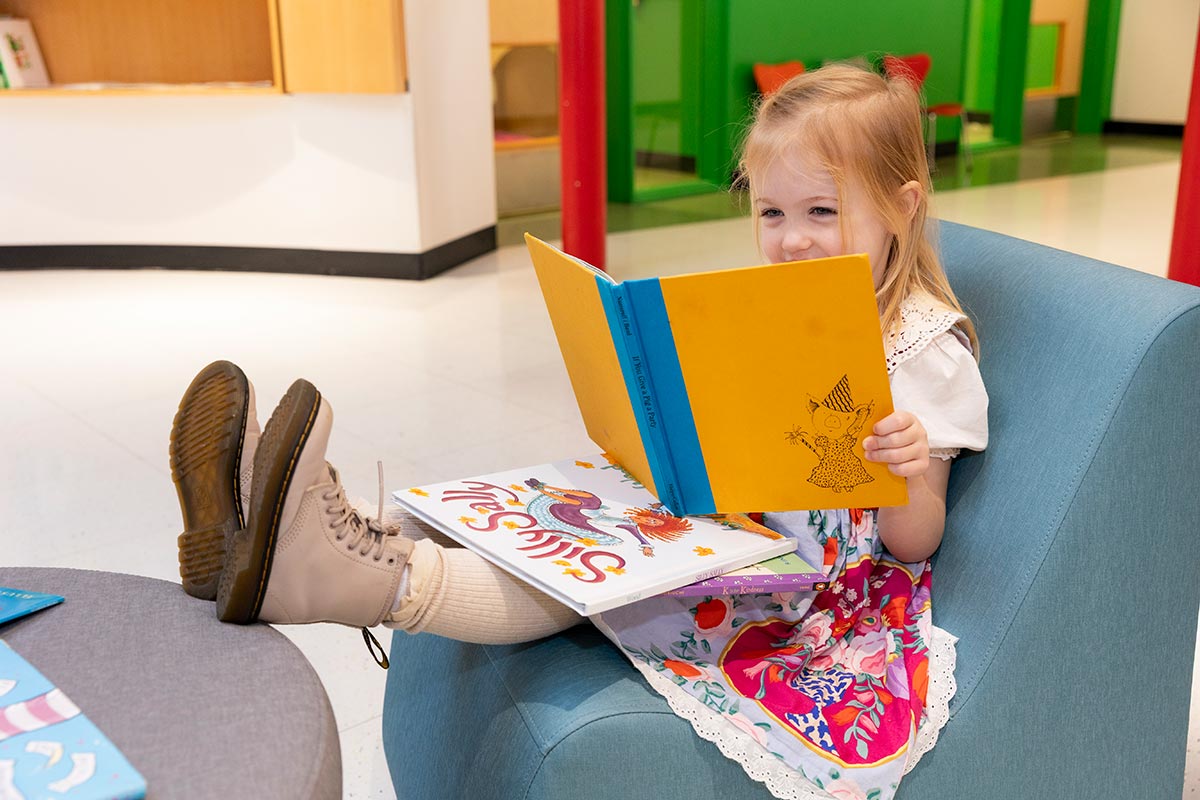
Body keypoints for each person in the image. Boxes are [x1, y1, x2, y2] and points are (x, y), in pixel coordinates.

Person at [168, 61, 987, 800]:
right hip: (732, 519)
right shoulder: (776, 308)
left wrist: (911, 468)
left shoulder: (924, 347)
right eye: (772, 211)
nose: (791, 237)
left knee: (584, 574)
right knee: (537, 506)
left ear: (901, 207)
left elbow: (917, 542)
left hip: (808, 593)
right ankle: (285, 537)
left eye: (822, 210)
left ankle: (364, 580)